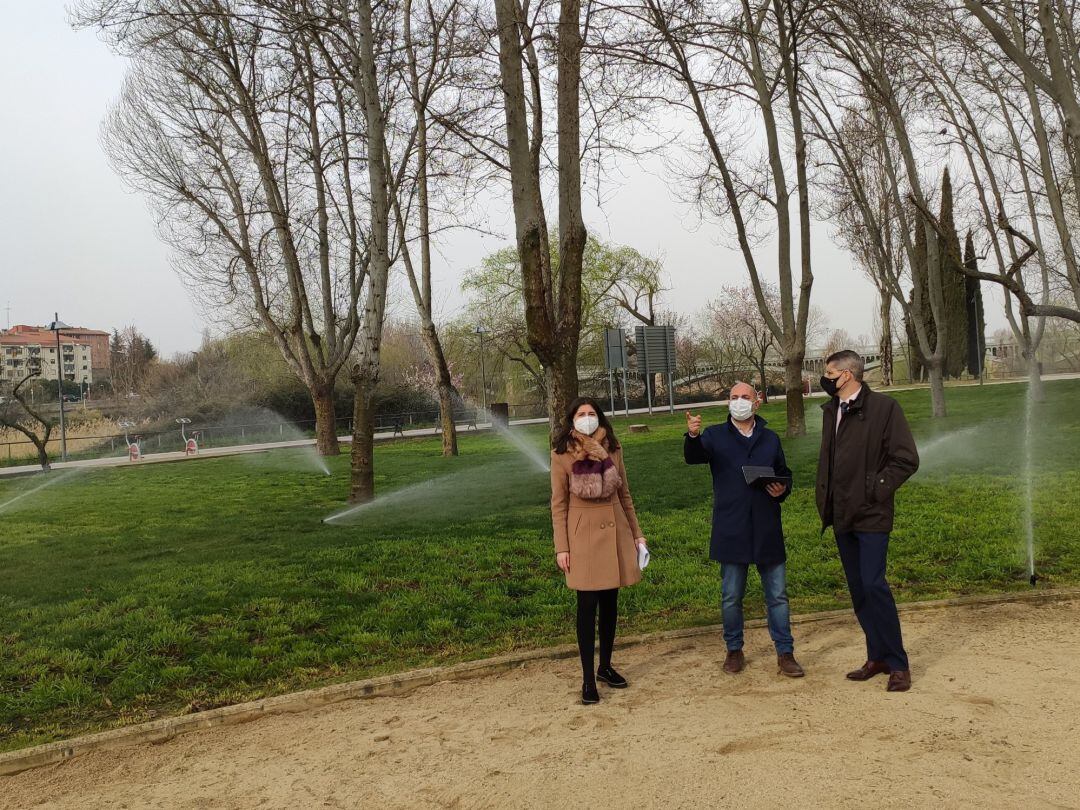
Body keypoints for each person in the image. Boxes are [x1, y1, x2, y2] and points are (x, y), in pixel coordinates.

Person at [684, 382, 804, 678]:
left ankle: (785, 651)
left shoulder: (770, 438)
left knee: (777, 594)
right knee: (731, 595)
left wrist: (781, 490)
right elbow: (694, 456)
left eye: (745, 397)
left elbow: (784, 474)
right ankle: (734, 649)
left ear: (756, 403)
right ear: (728, 403)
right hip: (731, 526)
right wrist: (693, 435)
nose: (739, 401)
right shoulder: (714, 435)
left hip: (766, 525)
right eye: (734, 397)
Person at [816, 350, 920, 692]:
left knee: (875, 584)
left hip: (872, 513)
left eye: (829, 372)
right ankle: (876, 655)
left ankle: (898, 664)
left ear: (847, 375)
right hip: (841, 513)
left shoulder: (885, 409)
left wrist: (873, 489)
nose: (826, 377)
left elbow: (905, 459)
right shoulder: (831, 410)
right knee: (859, 589)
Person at [551, 397, 647, 705]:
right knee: (586, 606)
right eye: (581, 414)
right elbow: (558, 505)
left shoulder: (614, 448)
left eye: (592, 413)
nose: (588, 418)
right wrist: (561, 548)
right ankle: (587, 678)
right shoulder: (562, 452)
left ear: (600, 418)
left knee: (610, 604)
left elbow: (626, 494)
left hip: (615, 528)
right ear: (572, 419)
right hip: (582, 537)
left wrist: (637, 535)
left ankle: (605, 666)